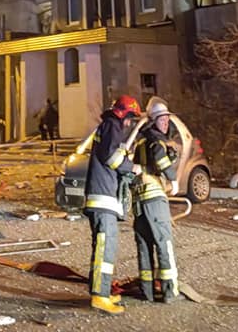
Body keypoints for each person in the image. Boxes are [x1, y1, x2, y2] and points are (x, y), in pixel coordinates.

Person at [83, 94, 143, 315]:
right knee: (104, 248)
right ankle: (100, 296)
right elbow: (111, 157)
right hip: (103, 198)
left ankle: (102, 291)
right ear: (124, 115)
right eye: (130, 119)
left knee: (103, 247)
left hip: (102, 197)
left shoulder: (108, 127)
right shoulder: (112, 126)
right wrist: (131, 167)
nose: (129, 124)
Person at [131, 99, 179, 304]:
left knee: (144, 246)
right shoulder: (156, 141)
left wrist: (171, 157)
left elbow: (142, 166)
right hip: (154, 198)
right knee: (163, 242)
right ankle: (169, 291)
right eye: (162, 119)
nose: (166, 122)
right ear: (153, 121)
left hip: (139, 201)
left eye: (167, 118)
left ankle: (147, 291)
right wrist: (173, 179)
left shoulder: (140, 142)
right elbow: (160, 160)